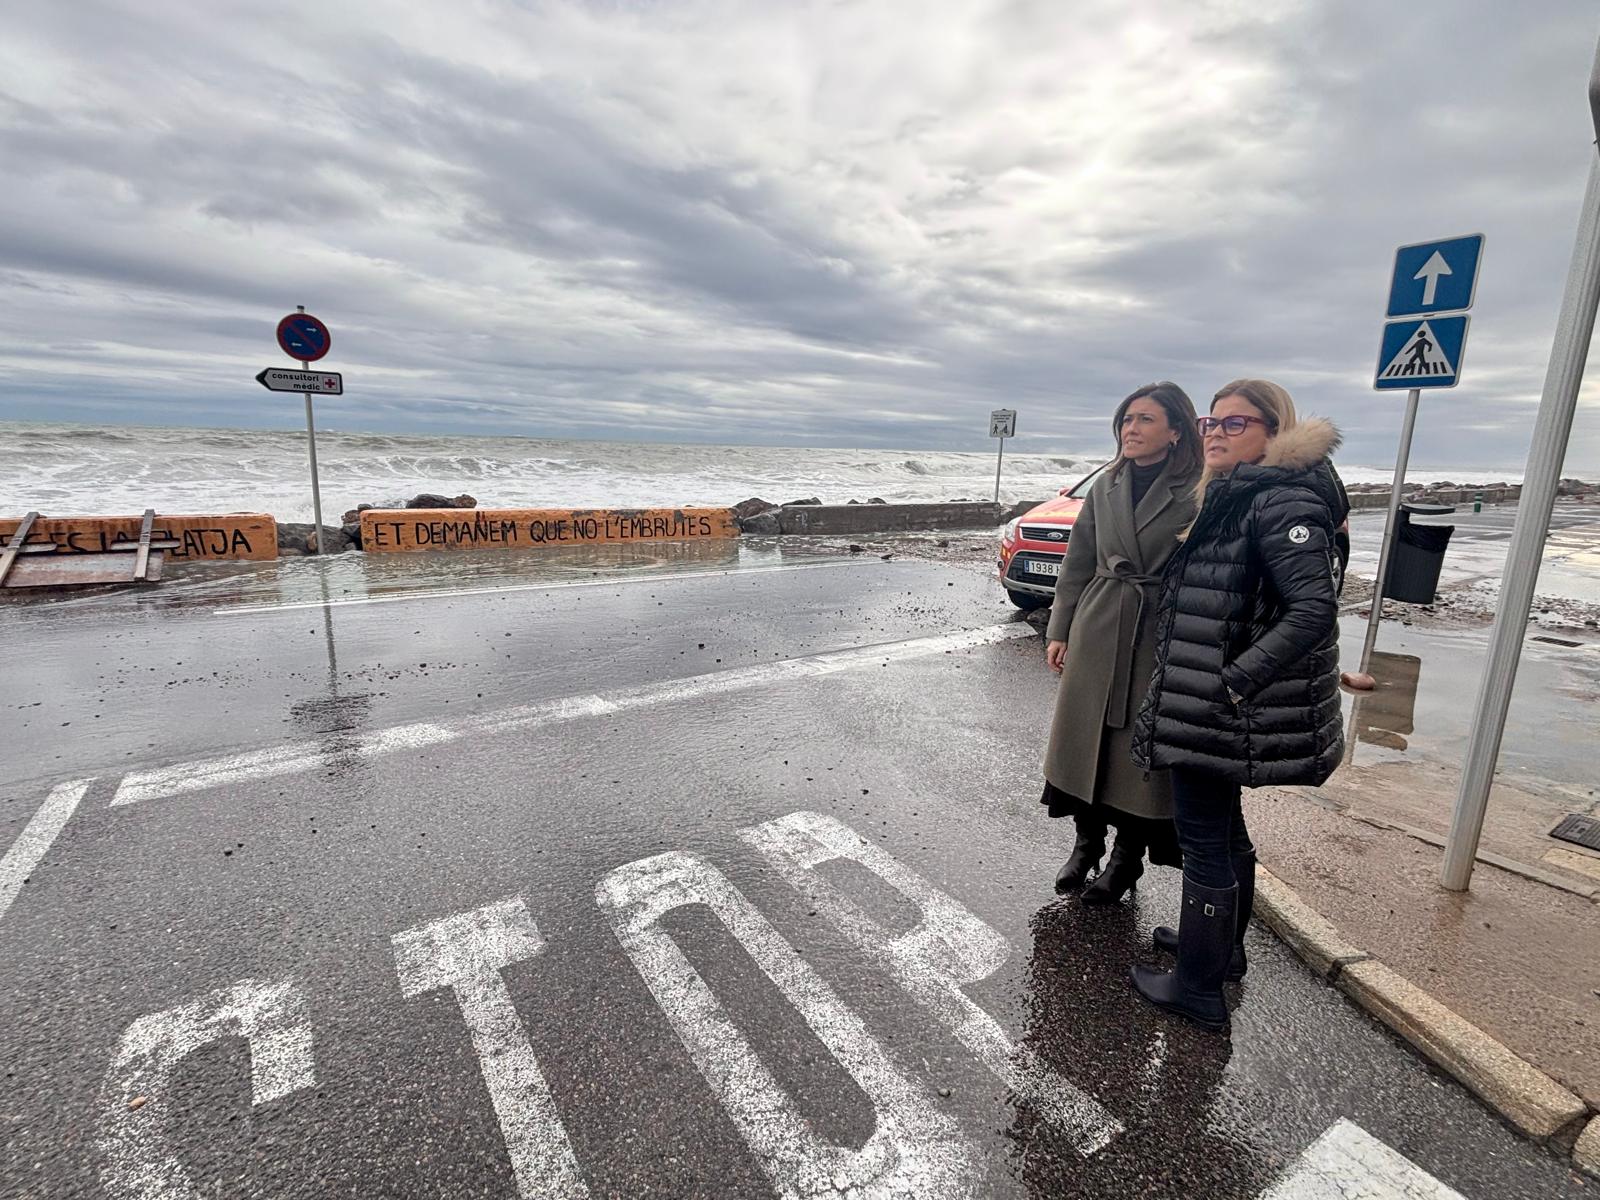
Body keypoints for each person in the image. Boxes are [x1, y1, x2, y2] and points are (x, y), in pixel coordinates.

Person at [1130, 379, 1348, 1030]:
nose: (1216, 434)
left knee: (1204, 843)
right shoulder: (1245, 494)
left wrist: (1234, 681)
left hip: (1219, 708)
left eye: (1234, 424)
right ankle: (1221, 955)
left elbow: (1314, 609)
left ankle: (1196, 987)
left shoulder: (1278, 501)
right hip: (1215, 703)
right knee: (1226, 835)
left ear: (1272, 432)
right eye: (1209, 423)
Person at [1042, 382, 1202, 903]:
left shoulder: (1198, 489)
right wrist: (1060, 628)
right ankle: (1085, 846)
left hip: (1157, 628)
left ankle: (1125, 862)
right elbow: (1078, 562)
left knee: (1139, 756)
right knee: (1084, 742)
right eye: (1127, 420)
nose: (1131, 429)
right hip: (1099, 621)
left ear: (1176, 431)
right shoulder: (1106, 485)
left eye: (1146, 420)